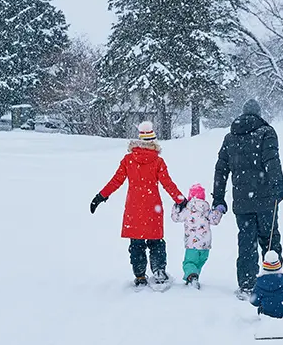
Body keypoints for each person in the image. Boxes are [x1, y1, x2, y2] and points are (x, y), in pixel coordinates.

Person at [90, 121, 187, 288]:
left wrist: (100, 196)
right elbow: (167, 183)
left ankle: (140, 276)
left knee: (136, 243)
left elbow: (116, 181)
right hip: (153, 208)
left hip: (134, 209)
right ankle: (158, 271)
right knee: (156, 242)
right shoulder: (158, 161)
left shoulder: (128, 160)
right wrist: (180, 199)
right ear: (153, 141)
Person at [212, 99, 283, 300]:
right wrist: (279, 187)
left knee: (246, 242)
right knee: (270, 238)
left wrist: (219, 198)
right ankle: (274, 281)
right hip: (266, 199)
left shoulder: (230, 137)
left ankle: (247, 285)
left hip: (242, 201)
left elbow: (221, 170)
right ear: (258, 114)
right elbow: (272, 161)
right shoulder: (266, 132)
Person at [171, 183, 225, 289]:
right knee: (199, 263)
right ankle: (193, 277)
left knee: (189, 263)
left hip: (192, 245)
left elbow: (175, 218)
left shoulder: (187, 209)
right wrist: (219, 210)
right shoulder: (206, 210)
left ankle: (192, 277)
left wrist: (176, 206)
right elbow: (215, 220)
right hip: (205, 246)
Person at [250, 250, 283, 318]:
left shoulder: (259, 286)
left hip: (267, 314)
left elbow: (254, 302)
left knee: (261, 308)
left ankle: (268, 312)